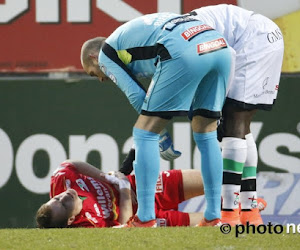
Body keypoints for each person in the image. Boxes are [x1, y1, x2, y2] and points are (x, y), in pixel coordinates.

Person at [80, 12, 234, 227]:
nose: (100, 79)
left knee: (144, 133)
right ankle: (213, 215)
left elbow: (137, 95)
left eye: (92, 73)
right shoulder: (136, 43)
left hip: (183, 50)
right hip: (220, 48)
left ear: (93, 58)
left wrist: (159, 134)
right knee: (205, 132)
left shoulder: (106, 54)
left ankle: (144, 218)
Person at [188, 4, 284, 225]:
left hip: (253, 40)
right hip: (263, 35)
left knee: (234, 120)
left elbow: (227, 54)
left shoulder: (181, 43)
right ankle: (249, 211)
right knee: (242, 127)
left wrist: (220, 105)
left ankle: (229, 213)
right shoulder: (179, 35)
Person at [36, 160, 205, 228]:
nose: (65, 195)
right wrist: (123, 191)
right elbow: (124, 227)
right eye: (65, 204)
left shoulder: (61, 180)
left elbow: (72, 164)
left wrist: (107, 178)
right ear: (70, 220)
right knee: (218, 219)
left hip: (141, 186)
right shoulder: (86, 228)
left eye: (57, 198)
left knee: (213, 178)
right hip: (145, 219)